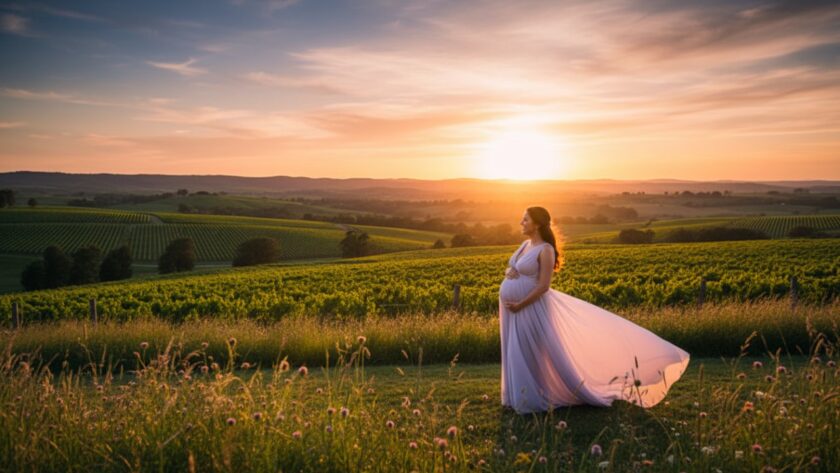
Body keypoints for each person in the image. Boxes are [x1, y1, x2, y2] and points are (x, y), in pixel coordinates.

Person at [499, 206, 690, 414]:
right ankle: (519, 395)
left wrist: (520, 304)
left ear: (537, 223)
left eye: (525, 219)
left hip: (531, 308)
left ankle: (534, 397)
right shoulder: (525, 245)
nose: (521, 223)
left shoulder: (545, 249)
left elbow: (544, 285)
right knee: (515, 348)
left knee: (531, 350)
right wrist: (511, 276)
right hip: (513, 309)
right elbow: (517, 270)